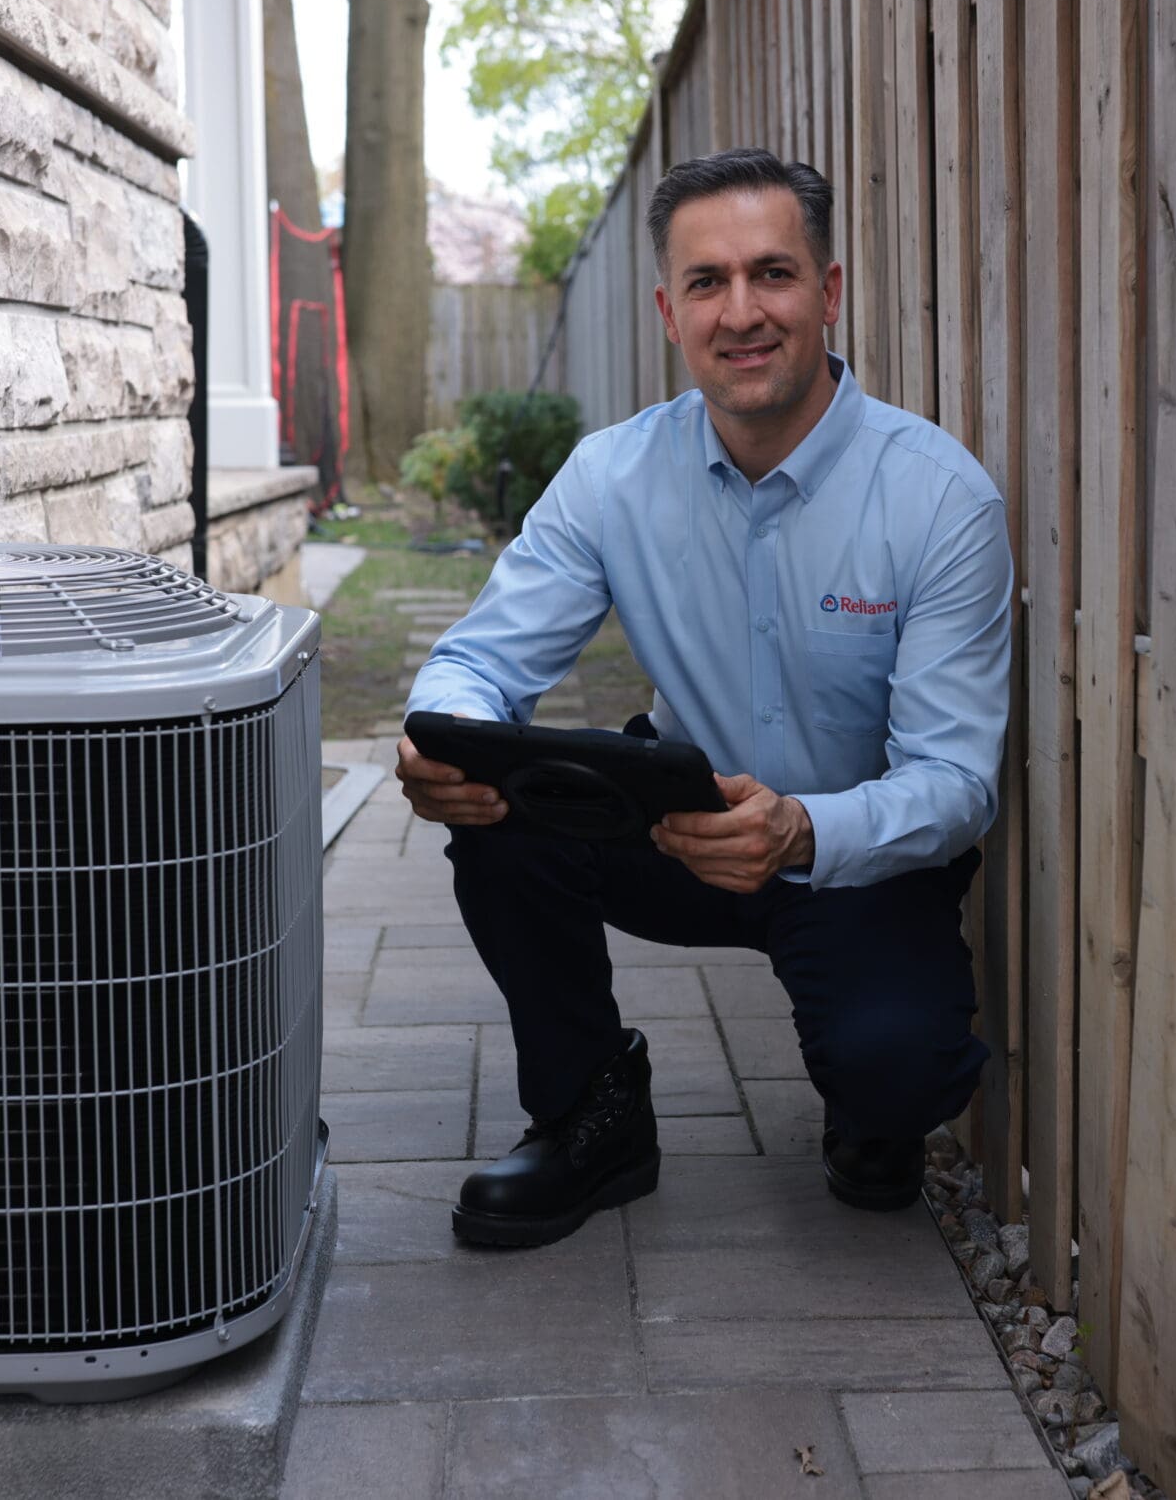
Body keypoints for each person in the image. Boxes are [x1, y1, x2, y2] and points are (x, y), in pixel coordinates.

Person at [396, 147, 1013, 1248]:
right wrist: (443, 740)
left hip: (850, 850)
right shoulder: (611, 476)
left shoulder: (937, 500)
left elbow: (956, 785)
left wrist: (802, 830)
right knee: (500, 817)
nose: (742, 313)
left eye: (772, 275)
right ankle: (592, 1111)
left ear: (827, 293)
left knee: (897, 1076)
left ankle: (867, 1106)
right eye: (706, 283)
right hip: (679, 823)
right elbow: (478, 662)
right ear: (668, 313)